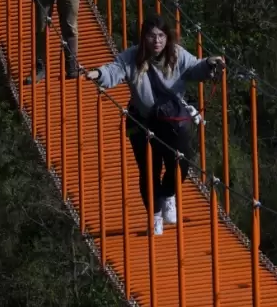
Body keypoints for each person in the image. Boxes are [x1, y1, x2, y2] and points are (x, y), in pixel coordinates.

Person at [86, 15, 224, 235]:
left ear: (167, 38)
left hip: (171, 121)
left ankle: (169, 194)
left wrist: (209, 64)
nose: (157, 41)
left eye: (161, 36)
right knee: (149, 169)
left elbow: (196, 69)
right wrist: (98, 74)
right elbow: (115, 70)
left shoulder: (177, 54)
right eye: (151, 36)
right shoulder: (132, 57)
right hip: (141, 120)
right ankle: (156, 215)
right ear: (144, 38)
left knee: (181, 161)